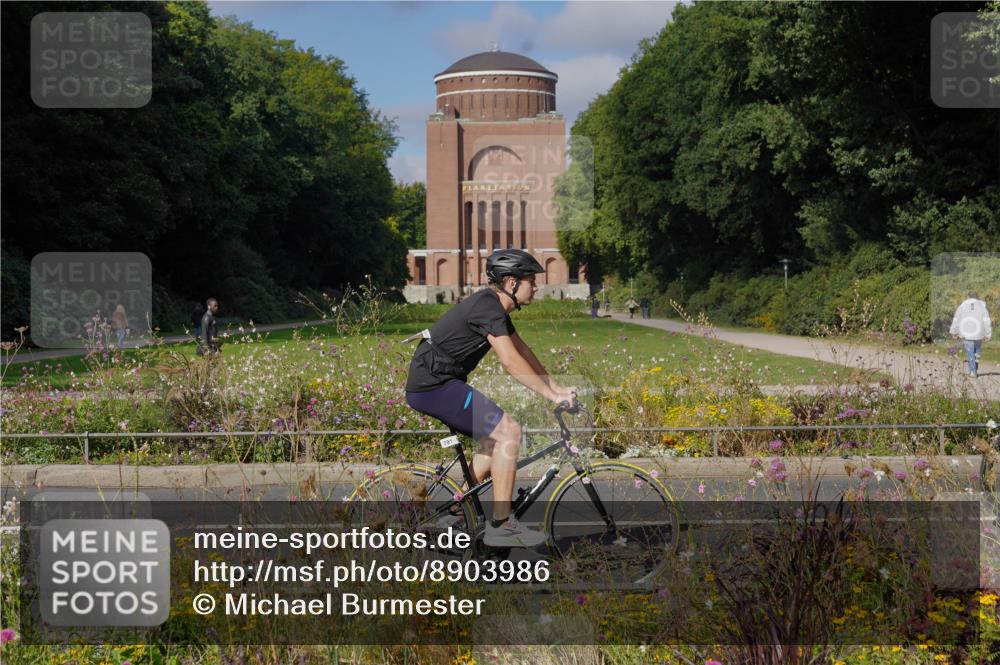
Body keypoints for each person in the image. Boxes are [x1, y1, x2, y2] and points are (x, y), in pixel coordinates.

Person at [405, 249, 578, 548]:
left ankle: (457, 512)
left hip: (439, 383)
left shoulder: (493, 307)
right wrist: (551, 395)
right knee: (509, 431)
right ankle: (501, 525)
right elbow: (510, 360)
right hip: (434, 385)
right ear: (511, 283)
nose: (536, 287)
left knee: (493, 439)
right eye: (531, 280)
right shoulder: (488, 307)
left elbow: (523, 352)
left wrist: (557, 388)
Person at [950, 291, 992, 378]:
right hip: (979, 333)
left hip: (966, 333)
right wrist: (988, 334)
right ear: (977, 297)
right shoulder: (982, 307)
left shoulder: (962, 306)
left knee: (970, 353)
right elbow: (986, 321)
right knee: (976, 353)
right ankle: (974, 369)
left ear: (968, 297)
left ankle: (973, 372)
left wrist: (954, 331)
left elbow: (956, 319)